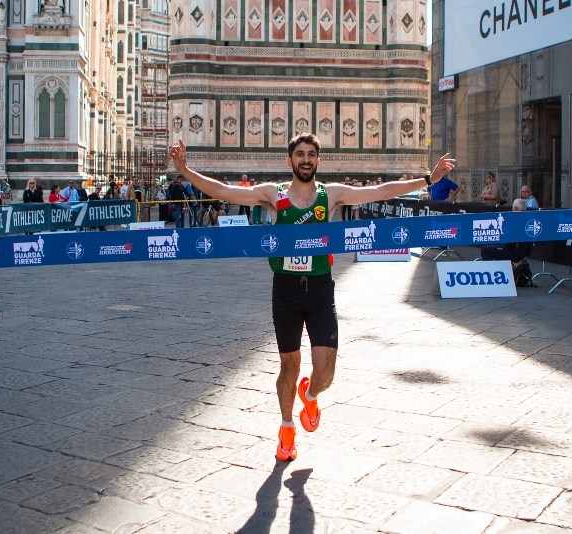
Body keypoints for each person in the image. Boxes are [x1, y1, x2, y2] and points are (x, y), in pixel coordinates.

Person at [169, 132, 455, 462]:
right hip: (286, 289)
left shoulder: (329, 194)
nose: (306, 159)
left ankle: (310, 393)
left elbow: (378, 191)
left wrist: (427, 180)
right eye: (300, 154)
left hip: (320, 288)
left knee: (326, 374)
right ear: (289, 160)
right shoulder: (272, 195)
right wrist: (185, 170)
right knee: (289, 366)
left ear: (318, 161)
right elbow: (222, 190)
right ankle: (287, 428)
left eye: (311, 155)